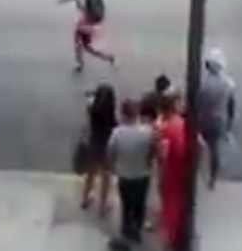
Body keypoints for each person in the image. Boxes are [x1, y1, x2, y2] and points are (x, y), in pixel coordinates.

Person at [107, 98, 155, 250]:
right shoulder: (148, 131)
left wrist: (113, 168)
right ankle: (136, 231)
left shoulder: (117, 133)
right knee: (140, 205)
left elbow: (110, 153)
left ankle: (126, 230)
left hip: (124, 176)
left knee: (127, 204)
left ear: (123, 114)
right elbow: (152, 151)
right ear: (137, 114)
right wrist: (148, 162)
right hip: (142, 175)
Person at [57, 0, 116, 73]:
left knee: (80, 41)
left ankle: (80, 63)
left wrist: (61, 0)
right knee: (86, 46)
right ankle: (107, 58)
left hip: (86, 21)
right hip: (90, 20)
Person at [197, 48, 236, 190]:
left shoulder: (202, 83)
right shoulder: (228, 84)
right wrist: (229, 126)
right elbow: (231, 106)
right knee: (215, 151)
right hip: (219, 121)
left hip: (202, 120)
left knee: (197, 148)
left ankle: (194, 175)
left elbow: (197, 102)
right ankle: (212, 179)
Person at [155, 94, 187, 248]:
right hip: (184, 169)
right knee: (180, 203)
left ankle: (171, 240)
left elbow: (163, 156)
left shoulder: (167, 130)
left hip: (171, 173)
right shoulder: (182, 123)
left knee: (170, 206)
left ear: (163, 111)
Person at [80, 83, 117, 215]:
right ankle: (103, 206)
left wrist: (91, 98)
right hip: (107, 146)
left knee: (90, 174)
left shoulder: (93, 110)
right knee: (106, 176)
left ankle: (85, 199)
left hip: (94, 143)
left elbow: (89, 105)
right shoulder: (111, 114)